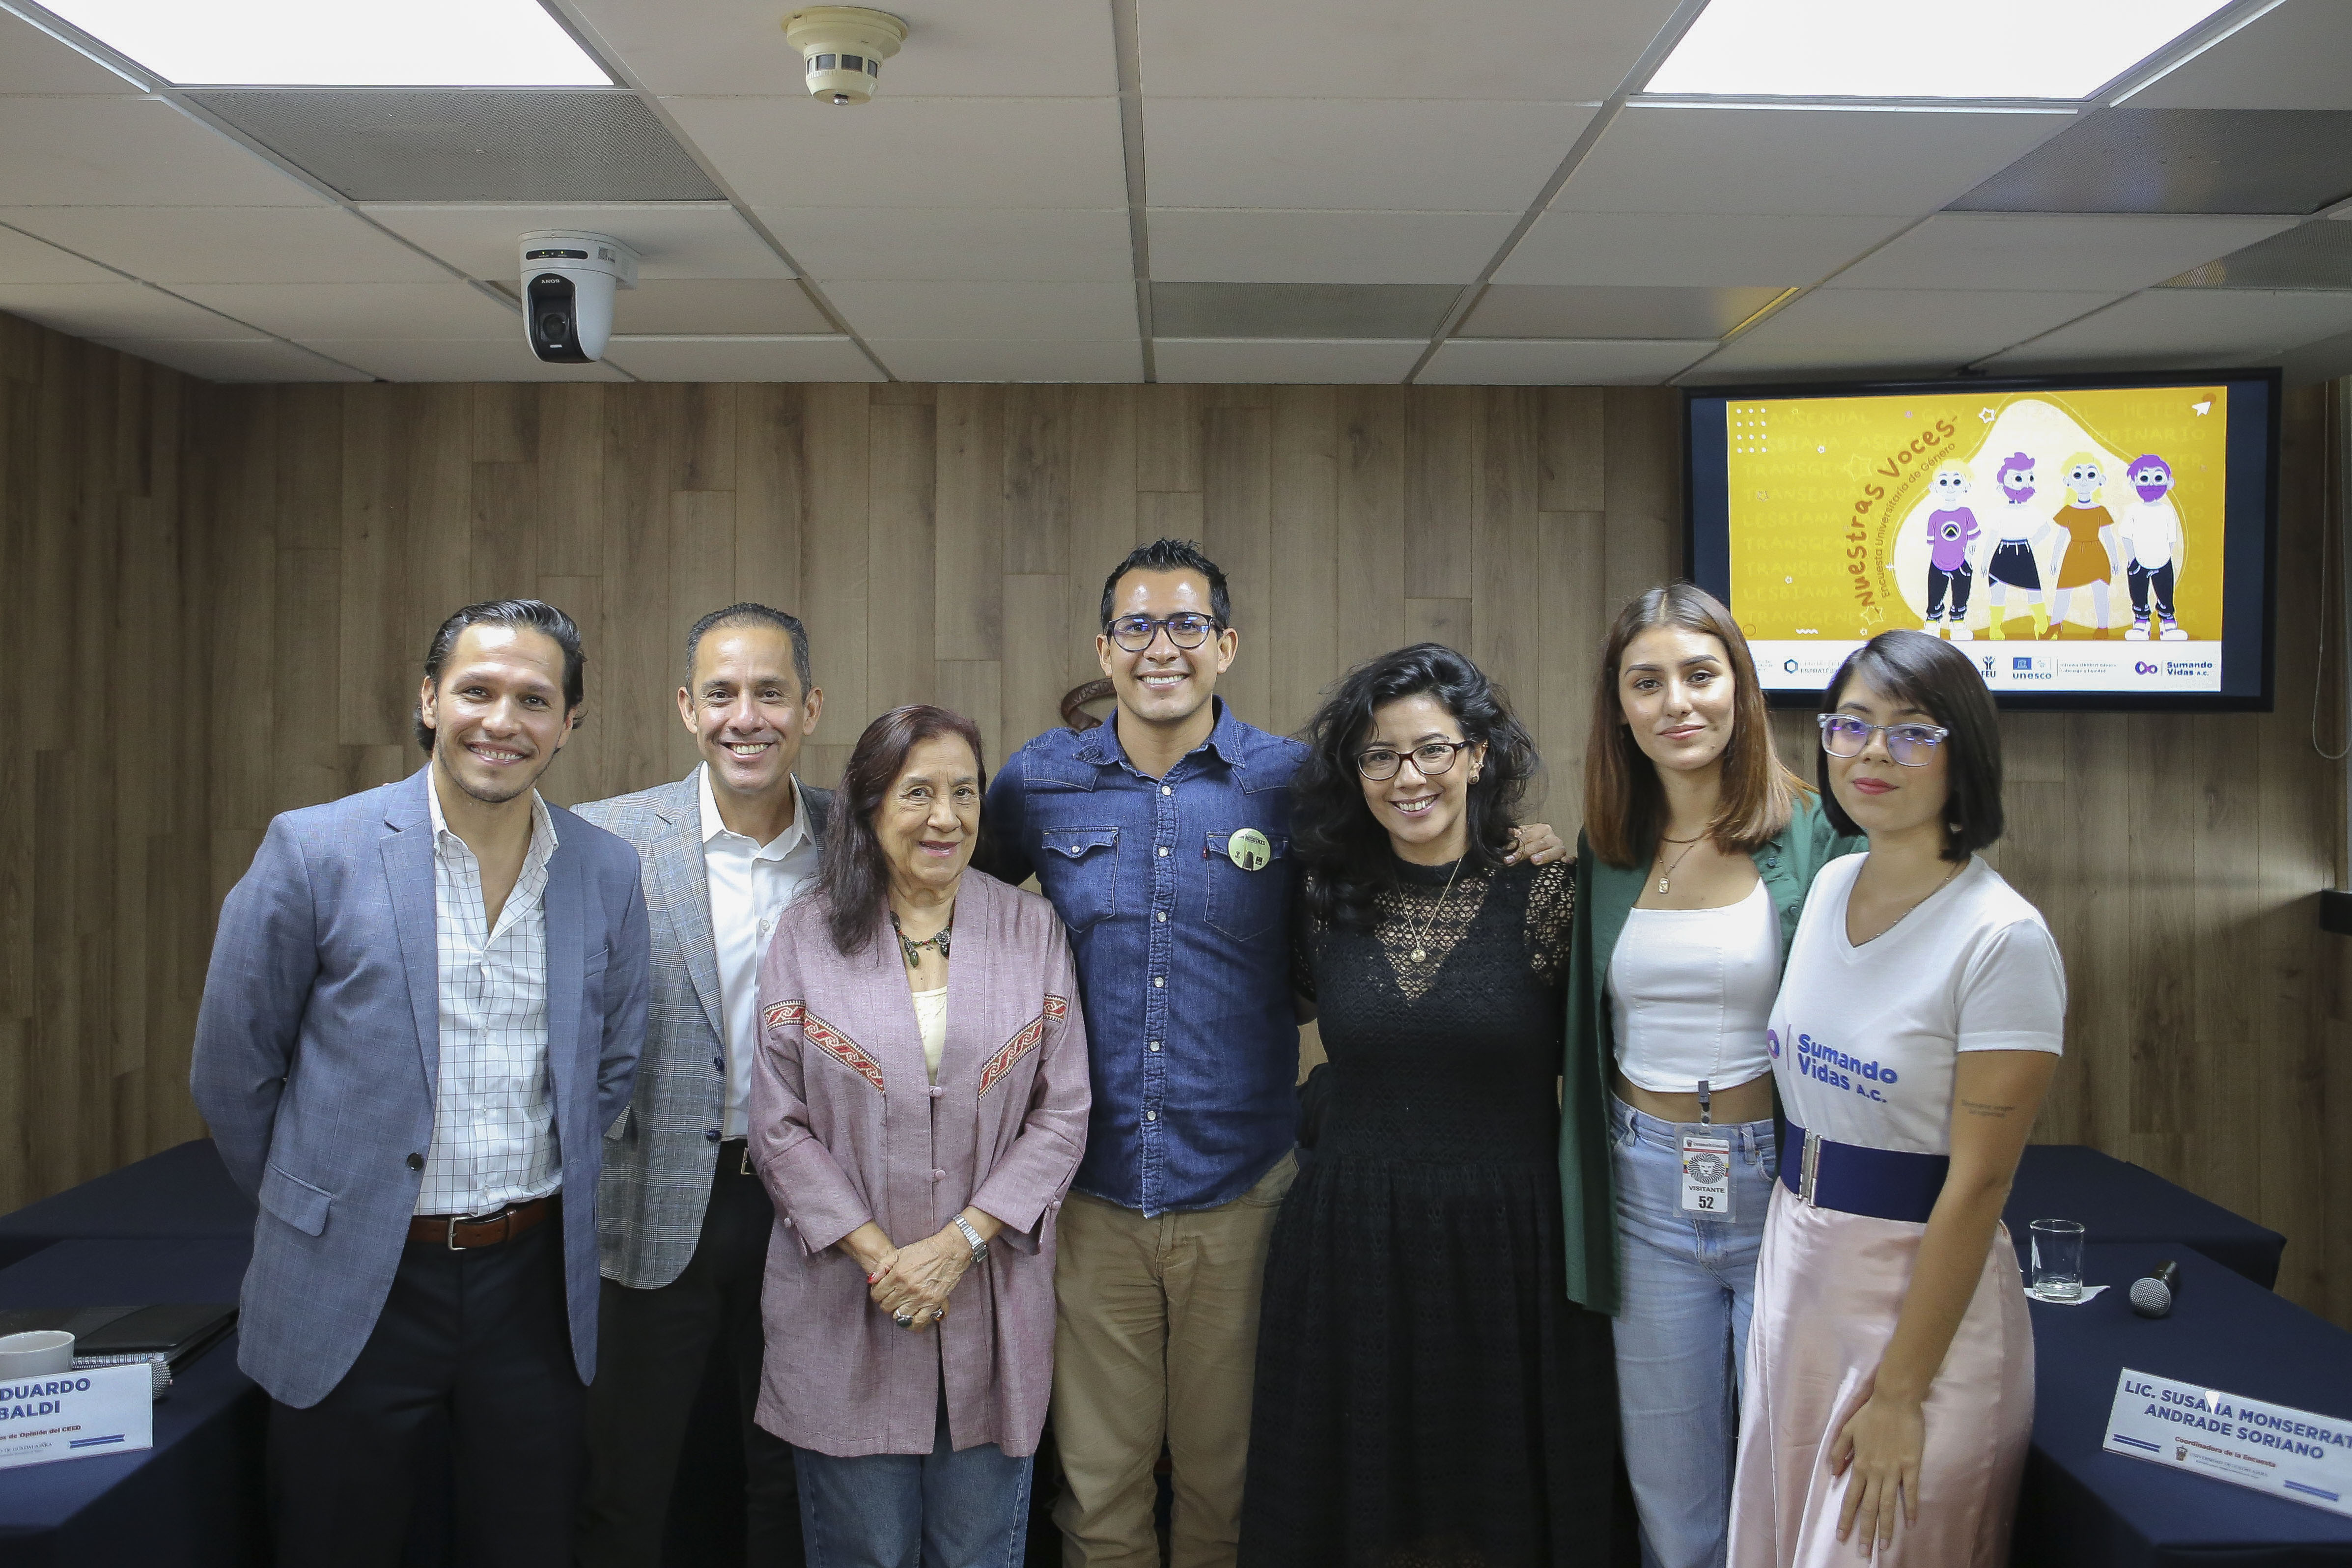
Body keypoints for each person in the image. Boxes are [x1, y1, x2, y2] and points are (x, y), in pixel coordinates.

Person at [980, 538, 1563, 1568]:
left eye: (1187, 624)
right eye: (1137, 626)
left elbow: (1415, 856)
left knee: (1229, 1494)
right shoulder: (1039, 780)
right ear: (1105, 649)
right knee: (1098, 1497)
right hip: (1086, 1194)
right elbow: (955, 905)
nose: (1163, 647)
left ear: (1227, 644)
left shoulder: (1292, 786)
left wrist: (1521, 841)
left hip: (1247, 1192)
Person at [191, 599, 650, 1568]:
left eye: (535, 700)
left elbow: (611, 1066)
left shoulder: (606, 871)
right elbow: (234, 1068)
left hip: (532, 1286)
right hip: (354, 1280)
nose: (502, 721)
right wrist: (324, 1206)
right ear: (430, 699)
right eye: (477, 691)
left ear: (569, 722)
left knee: (527, 1544)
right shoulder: (315, 849)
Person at [1238, 643, 1613, 1567]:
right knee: (1358, 1513)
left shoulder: (1549, 891)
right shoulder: (1323, 894)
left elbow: (1601, 1066)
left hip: (1509, 1251)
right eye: (1380, 756)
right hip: (1353, 1243)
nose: (1408, 778)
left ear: (1477, 755)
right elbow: (1274, 1014)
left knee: (1497, 1512)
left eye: (1432, 750)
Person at [1729, 629, 2063, 1567]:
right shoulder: (1831, 884)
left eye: (1912, 732)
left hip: (1919, 1310)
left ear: (1964, 754)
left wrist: (1903, 1392)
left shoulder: (2001, 938)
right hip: (1799, 1275)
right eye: (1850, 725)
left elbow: (1979, 1184)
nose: (1872, 753)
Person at [750, 704, 1091, 1567]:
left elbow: (1061, 1115)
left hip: (993, 1296)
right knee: (864, 1550)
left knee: (977, 1551)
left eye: (964, 793)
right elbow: (778, 1125)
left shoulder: (1032, 928)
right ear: (869, 806)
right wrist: (885, 1261)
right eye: (918, 793)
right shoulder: (807, 931)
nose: (946, 817)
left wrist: (956, 1245)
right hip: (844, 1301)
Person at [1561, 584, 1858, 1568]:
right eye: (1646, 683)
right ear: (1619, 709)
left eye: (1699, 674)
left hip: (1783, 1186)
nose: (1676, 703)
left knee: (1790, 1478)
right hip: (1642, 1185)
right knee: (1671, 1495)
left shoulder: (1818, 833)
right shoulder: (1605, 851)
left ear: (1741, 687)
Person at [576, 604, 829, 1567]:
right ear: (687, 707)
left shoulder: (858, 843)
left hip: (811, 1214)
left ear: (809, 708)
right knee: (625, 1483)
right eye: (721, 694)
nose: (745, 717)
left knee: (791, 1479)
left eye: (770, 693)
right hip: (649, 1203)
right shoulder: (604, 842)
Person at [2049, 452, 2121, 640]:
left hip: (2097, 555)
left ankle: (2103, 628)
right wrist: (2055, 559)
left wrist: (2115, 559)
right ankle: (2055, 625)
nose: (2084, 481)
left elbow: (2108, 537)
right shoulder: (2068, 511)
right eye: (2077, 475)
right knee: (2063, 591)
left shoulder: (2100, 510)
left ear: (2101, 480)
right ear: (2067, 481)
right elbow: (2060, 538)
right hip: (2074, 555)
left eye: (2091, 475)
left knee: (2100, 592)